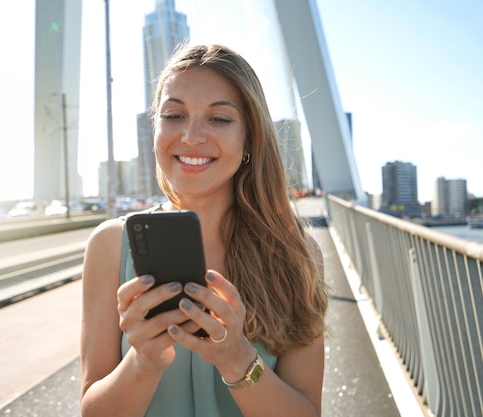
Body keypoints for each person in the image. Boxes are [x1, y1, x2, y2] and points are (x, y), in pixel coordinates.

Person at [80, 43, 329, 417]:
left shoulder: (297, 255)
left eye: (219, 119)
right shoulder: (111, 245)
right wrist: (144, 361)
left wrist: (238, 361)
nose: (192, 136)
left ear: (249, 139)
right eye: (174, 115)